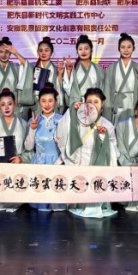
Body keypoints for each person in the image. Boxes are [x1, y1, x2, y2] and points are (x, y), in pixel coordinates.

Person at [56, 87, 119, 218]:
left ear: (102, 104)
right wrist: (72, 112)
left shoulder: (107, 125)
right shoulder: (78, 121)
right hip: (80, 162)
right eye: (89, 101)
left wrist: (104, 137)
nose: (93, 105)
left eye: (96, 102)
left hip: (99, 165)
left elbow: (114, 151)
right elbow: (62, 132)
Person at [0, 88, 31, 212]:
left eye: (9, 104)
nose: (7, 107)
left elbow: (32, 150)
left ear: (15, 104)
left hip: (18, 168)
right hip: (0, 168)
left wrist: (21, 158)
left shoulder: (24, 125)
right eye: (3, 104)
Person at [24, 83, 66, 211]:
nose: (47, 104)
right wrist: (32, 129)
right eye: (43, 101)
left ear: (56, 101)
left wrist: (58, 163)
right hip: (39, 164)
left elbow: (67, 147)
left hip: (58, 163)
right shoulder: (33, 120)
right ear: (39, 102)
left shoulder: (62, 120)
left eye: (50, 101)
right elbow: (28, 147)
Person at [0, 37, 34, 119]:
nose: (4, 55)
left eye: (7, 52)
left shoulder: (16, 67)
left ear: (10, 53)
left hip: (14, 104)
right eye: (1, 52)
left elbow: (28, 67)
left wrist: (16, 53)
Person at [103, 33, 138, 123]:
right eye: (123, 47)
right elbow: (107, 90)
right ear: (118, 49)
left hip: (133, 102)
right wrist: (107, 109)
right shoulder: (111, 68)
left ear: (133, 48)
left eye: (129, 47)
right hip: (117, 104)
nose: (126, 50)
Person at [62, 35, 105, 107]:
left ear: (91, 50)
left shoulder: (98, 68)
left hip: (94, 104)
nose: (83, 51)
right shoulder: (73, 67)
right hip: (77, 104)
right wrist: (69, 71)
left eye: (86, 48)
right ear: (77, 51)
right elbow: (67, 88)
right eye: (80, 49)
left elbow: (102, 88)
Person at [32, 36, 64, 113]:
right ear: (37, 52)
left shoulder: (56, 69)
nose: (43, 53)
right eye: (41, 50)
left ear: (51, 52)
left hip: (51, 103)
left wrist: (60, 75)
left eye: (46, 50)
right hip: (35, 103)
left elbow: (59, 88)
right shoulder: (32, 67)